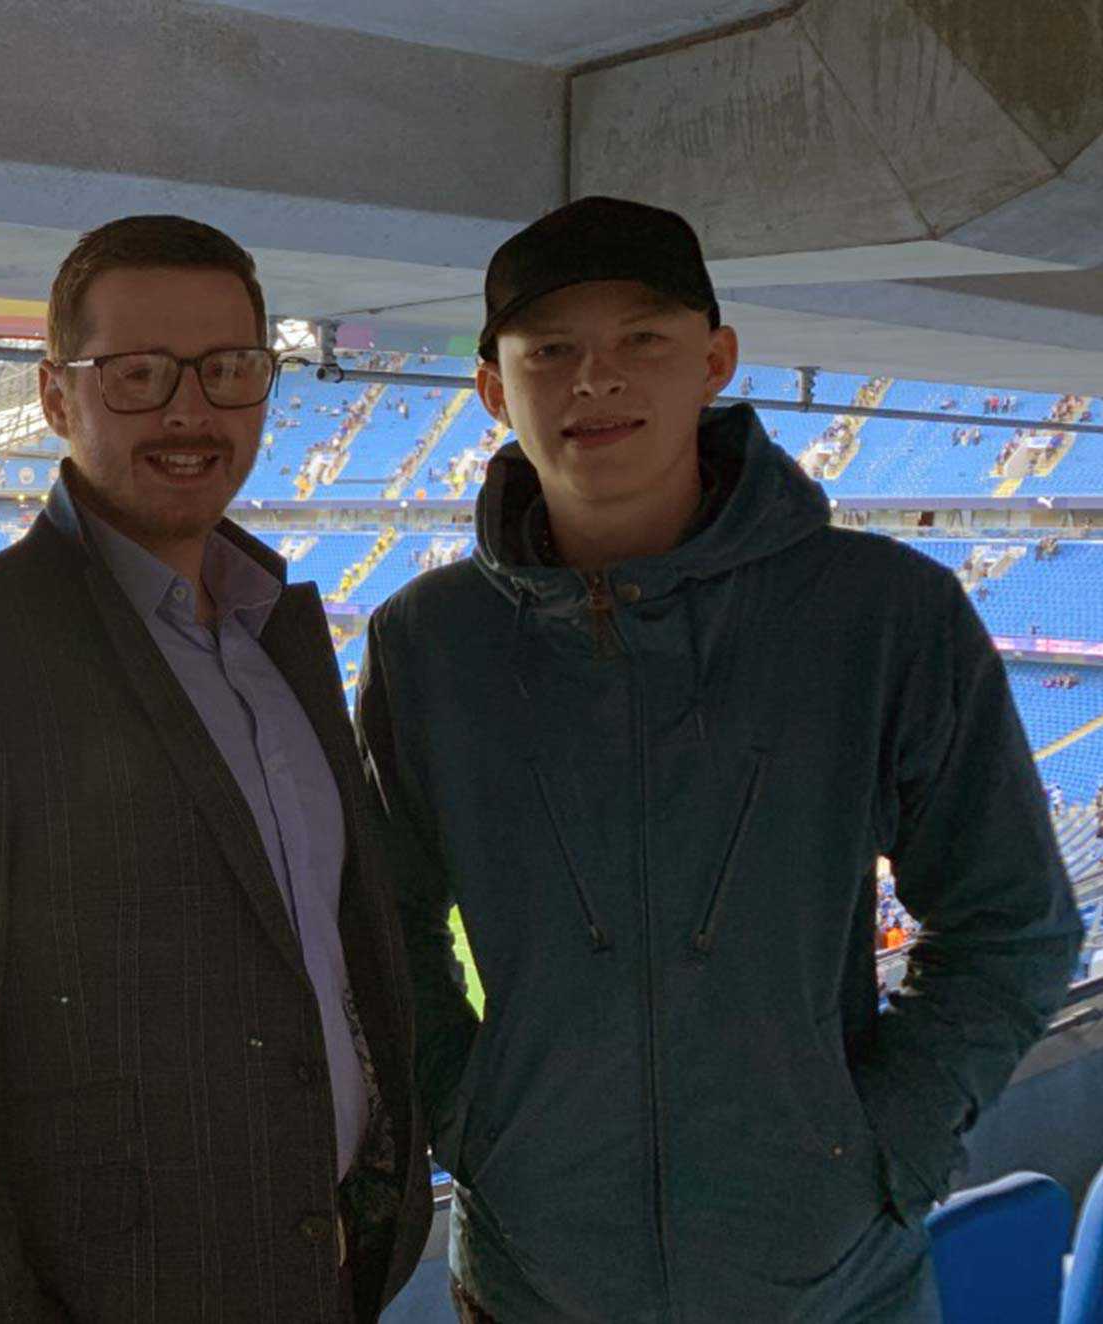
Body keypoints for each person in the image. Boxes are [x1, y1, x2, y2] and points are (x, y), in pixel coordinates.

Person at [357, 197, 1085, 1323]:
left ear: (714, 359)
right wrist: (475, 1122)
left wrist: (880, 1150)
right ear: (494, 390)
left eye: (639, 338)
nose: (594, 378)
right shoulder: (424, 644)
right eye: (550, 350)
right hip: (537, 1285)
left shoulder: (881, 612)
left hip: (834, 1290)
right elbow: (382, 934)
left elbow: (1012, 924)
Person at [0, 215, 429, 1322]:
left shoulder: (277, 635)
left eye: (227, 369)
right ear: (55, 398)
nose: (190, 410)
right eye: (136, 374)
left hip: (331, 1273)